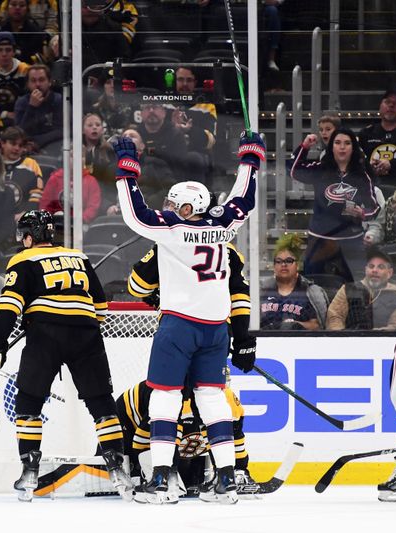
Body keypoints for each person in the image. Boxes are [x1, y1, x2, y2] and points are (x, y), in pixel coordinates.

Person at [111, 130, 264, 504]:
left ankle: (161, 479)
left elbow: (134, 214)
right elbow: (244, 198)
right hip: (216, 329)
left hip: (178, 325)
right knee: (212, 398)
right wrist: (250, 157)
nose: (167, 207)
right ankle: (226, 480)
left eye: (172, 203)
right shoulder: (225, 228)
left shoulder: (171, 230)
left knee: (163, 397)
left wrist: (127, 167)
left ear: (183, 208)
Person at [0, 210, 134, 502]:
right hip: (87, 332)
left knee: (29, 400)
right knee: (101, 402)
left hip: (46, 334)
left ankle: (29, 471)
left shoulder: (23, 259)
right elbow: (101, 307)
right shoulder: (79, 257)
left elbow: (9, 304)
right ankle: (118, 468)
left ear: (29, 236)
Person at [113, 380, 258, 501]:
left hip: (175, 422)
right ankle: (150, 476)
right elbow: (142, 439)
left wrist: (239, 469)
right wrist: (161, 476)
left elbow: (232, 438)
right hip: (127, 419)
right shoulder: (177, 399)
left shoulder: (227, 402)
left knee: (190, 480)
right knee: (161, 449)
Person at [289, 128, 380, 282]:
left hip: (351, 239)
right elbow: (294, 171)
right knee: (311, 283)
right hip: (320, 238)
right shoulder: (321, 168)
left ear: (353, 148)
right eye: (337, 143)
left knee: (357, 287)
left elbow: (375, 207)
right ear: (331, 147)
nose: (342, 147)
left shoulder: (362, 175)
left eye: (347, 143)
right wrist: (304, 147)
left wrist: (363, 213)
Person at [326, 249, 396, 331]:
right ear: (366, 270)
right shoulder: (347, 290)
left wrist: (369, 337)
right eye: (371, 266)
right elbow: (334, 317)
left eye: (381, 267)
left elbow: (395, 328)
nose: (374, 270)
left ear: (389, 273)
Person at [260, 233, 327, 330]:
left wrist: (297, 325)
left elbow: (317, 326)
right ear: (274, 267)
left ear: (298, 265)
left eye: (289, 261)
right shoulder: (262, 290)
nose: (283, 264)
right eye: (278, 261)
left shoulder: (311, 292)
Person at [357, 90, 396, 188]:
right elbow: (355, 162)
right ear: (380, 106)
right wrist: (369, 167)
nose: (391, 106)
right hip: (370, 189)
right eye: (387, 102)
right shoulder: (366, 133)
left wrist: (391, 164)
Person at [0, 31, 30, 124]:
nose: (4, 54)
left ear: (14, 52)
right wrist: (4, 114)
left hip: (22, 119)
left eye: (8, 50)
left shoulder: (25, 70)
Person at [13, 64, 63, 155]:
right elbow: (19, 133)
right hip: (28, 147)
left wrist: (38, 142)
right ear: (28, 84)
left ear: (50, 82)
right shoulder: (22, 103)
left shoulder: (59, 100)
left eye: (42, 80)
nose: (38, 84)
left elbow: (62, 131)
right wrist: (32, 107)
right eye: (33, 81)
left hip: (54, 146)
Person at [0, 126, 43, 214]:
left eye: (20, 145)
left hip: (22, 217)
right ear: (2, 143)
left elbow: (37, 192)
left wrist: (26, 213)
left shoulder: (31, 164)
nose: (17, 148)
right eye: (13, 144)